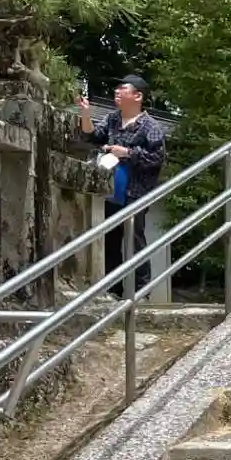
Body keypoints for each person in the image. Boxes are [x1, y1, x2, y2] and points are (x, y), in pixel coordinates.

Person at [77, 76, 167, 295]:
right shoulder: (112, 118)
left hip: (136, 192)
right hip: (112, 188)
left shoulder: (150, 126)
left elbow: (157, 158)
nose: (117, 92)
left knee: (135, 240)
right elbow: (92, 137)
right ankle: (113, 291)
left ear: (137, 96)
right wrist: (86, 113)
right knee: (110, 239)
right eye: (116, 89)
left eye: (123, 89)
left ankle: (142, 292)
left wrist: (127, 152)